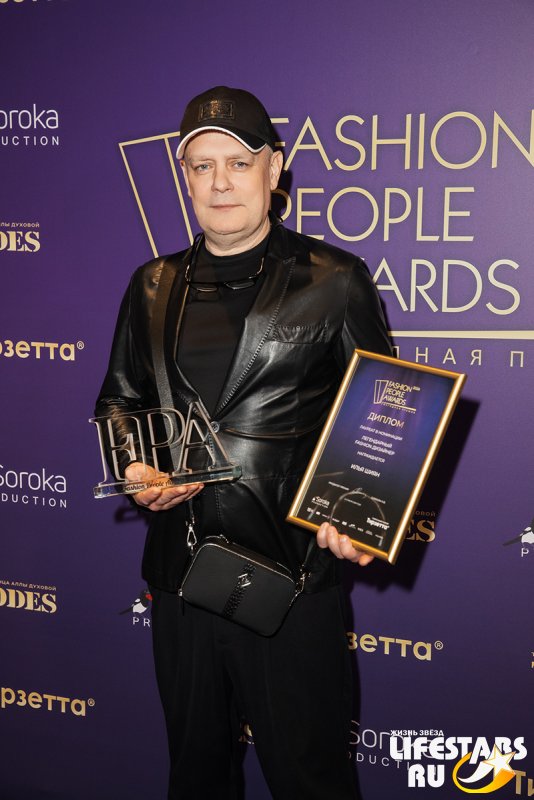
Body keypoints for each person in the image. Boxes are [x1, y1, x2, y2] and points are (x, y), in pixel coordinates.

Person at [96, 86, 392, 800]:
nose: (220, 182)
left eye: (238, 162)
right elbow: (118, 403)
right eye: (202, 166)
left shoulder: (335, 279)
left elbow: (384, 409)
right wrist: (134, 467)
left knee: (311, 781)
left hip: (292, 580)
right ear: (185, 177)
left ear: (274, 168)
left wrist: (365, 513)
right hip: (181, 581)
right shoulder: (152, 283)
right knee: (196, 776)